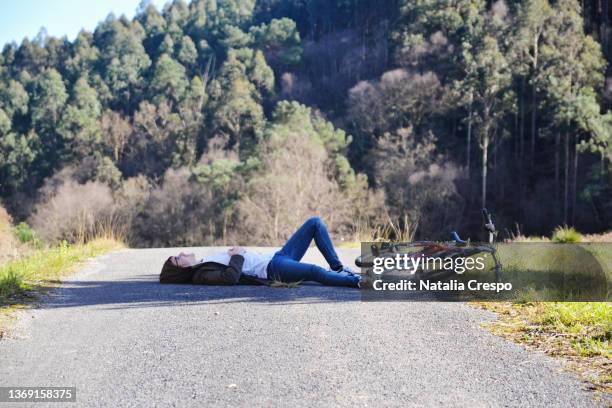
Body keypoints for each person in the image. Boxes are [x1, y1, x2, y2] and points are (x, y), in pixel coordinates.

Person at [171, 217, 360, 288]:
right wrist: (237, 254)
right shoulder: (201, 274)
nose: (182, 253)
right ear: (182, 269)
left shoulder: (205, 262)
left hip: (276, 257)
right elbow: (230, 278)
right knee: (314, 271)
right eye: (178, 259)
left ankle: (337, 268)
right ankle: (359, 282)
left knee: (315, 223)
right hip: (272, 270)